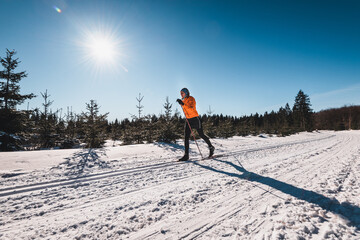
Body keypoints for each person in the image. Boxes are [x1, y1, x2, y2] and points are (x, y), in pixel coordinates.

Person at [176, 88, 215, 161]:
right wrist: (182, 103)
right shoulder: (183, 101)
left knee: (201, 134)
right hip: (188, 120)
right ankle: (186, 155)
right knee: (186, 137)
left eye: (182, 93)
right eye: (180, 93)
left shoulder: (191, 99)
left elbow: (191, 108)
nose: (181, 94)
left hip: (195, 119)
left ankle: (211, 147)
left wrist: (183, 104)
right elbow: (185, 110)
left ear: (186, 93)